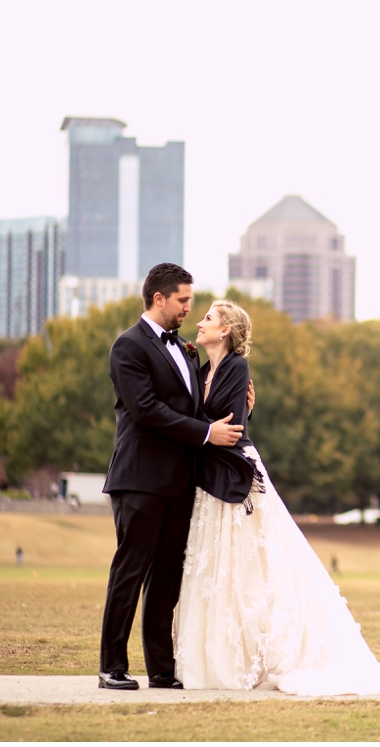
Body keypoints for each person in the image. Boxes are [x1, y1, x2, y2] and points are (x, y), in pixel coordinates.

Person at [174, 300, 380, 695]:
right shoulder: (202, 370)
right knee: (218, 567)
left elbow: (229, 426)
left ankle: (265, 654)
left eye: (209, 319)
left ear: (227, 330)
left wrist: (217, 423)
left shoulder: (236, 366)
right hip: (209, 478)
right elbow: (214, 420)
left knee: (256, 562)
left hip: (236, 474)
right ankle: (223, 655)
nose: (199, 323)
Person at [97, 264, 253, 693]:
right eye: (183, 300)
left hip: (182, 482)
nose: (189, 307)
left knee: (167, 577)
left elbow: (197, 409)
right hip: (140, 478)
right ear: (158, 298)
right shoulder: (127, 346)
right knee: (130, 571)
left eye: (190, 300)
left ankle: (161, 670)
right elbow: (146, 410)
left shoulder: (187, 351)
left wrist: (238, 414)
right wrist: (206, 433)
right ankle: (111, 666)